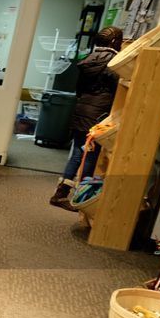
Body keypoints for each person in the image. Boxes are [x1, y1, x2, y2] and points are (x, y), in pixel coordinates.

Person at [51, 26, 123, 211]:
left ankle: (62, 193)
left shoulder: (87, 60)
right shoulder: (114, 63)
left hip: (82, 109)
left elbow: (79, 90)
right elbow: (117, 91)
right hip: (98, 114)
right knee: (89, 156)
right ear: (115, 42)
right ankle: (82, 198)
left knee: (78, 152)